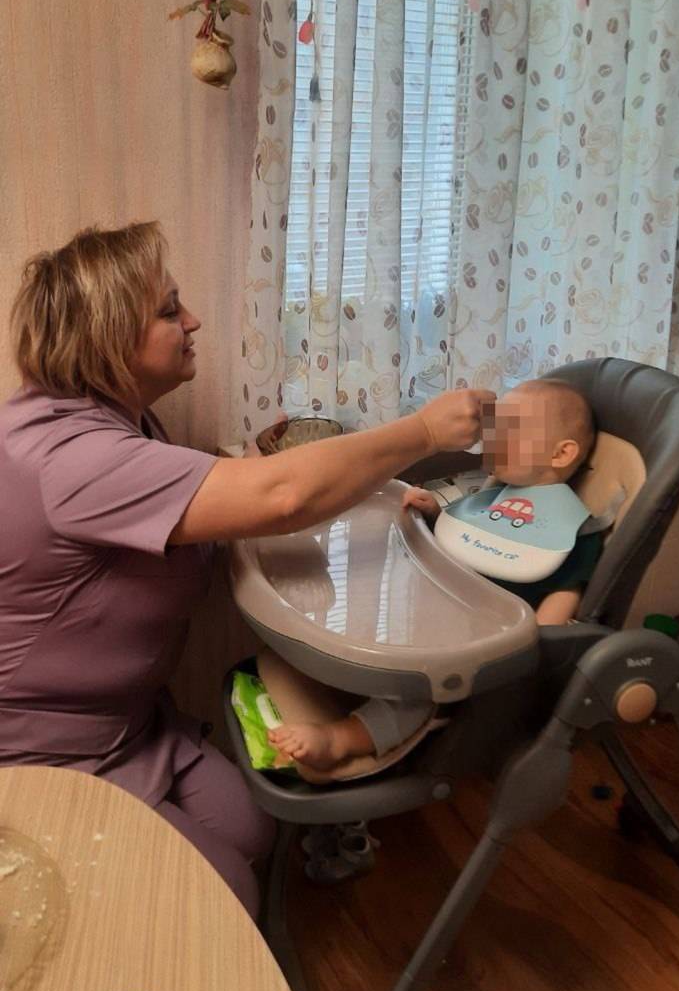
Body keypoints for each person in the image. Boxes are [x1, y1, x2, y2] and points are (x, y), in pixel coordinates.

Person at [0, 221, 493, 917]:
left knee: (255, 827)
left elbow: (217, 491)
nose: (192, 320)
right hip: (44, 752)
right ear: (108, 339)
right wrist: (424, 432)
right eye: (169, 310)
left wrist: (284, 469)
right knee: (228, 895)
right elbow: (282, 498)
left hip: (130, 724)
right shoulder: (69, 458)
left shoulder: (119, 422)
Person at [269, 378, 602, 772]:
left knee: (419, 695)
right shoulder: (496, 495)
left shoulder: (569, 532)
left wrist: (528, 650)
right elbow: (468, 543)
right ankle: (349, 686)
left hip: (478, 646)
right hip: (436, 610)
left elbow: (560, 604)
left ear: (562, 453)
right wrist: (435, 516)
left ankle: (343, 739)